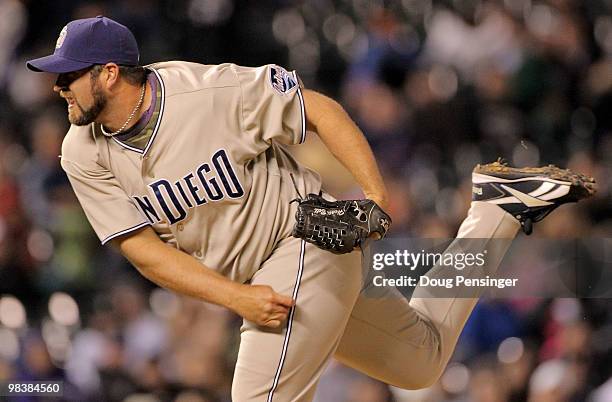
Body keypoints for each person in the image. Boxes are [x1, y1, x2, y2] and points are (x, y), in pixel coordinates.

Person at [27, 16, 595, 401]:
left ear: (108, 73)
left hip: (305, 237)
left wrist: (375, 196)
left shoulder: (208, 92)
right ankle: (495, 212)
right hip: (253, 276)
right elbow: (142, 250)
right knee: (419, 360)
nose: (58, 88)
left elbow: (315, 108)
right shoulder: (82, 150)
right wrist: (234, 296)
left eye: (68, 75)